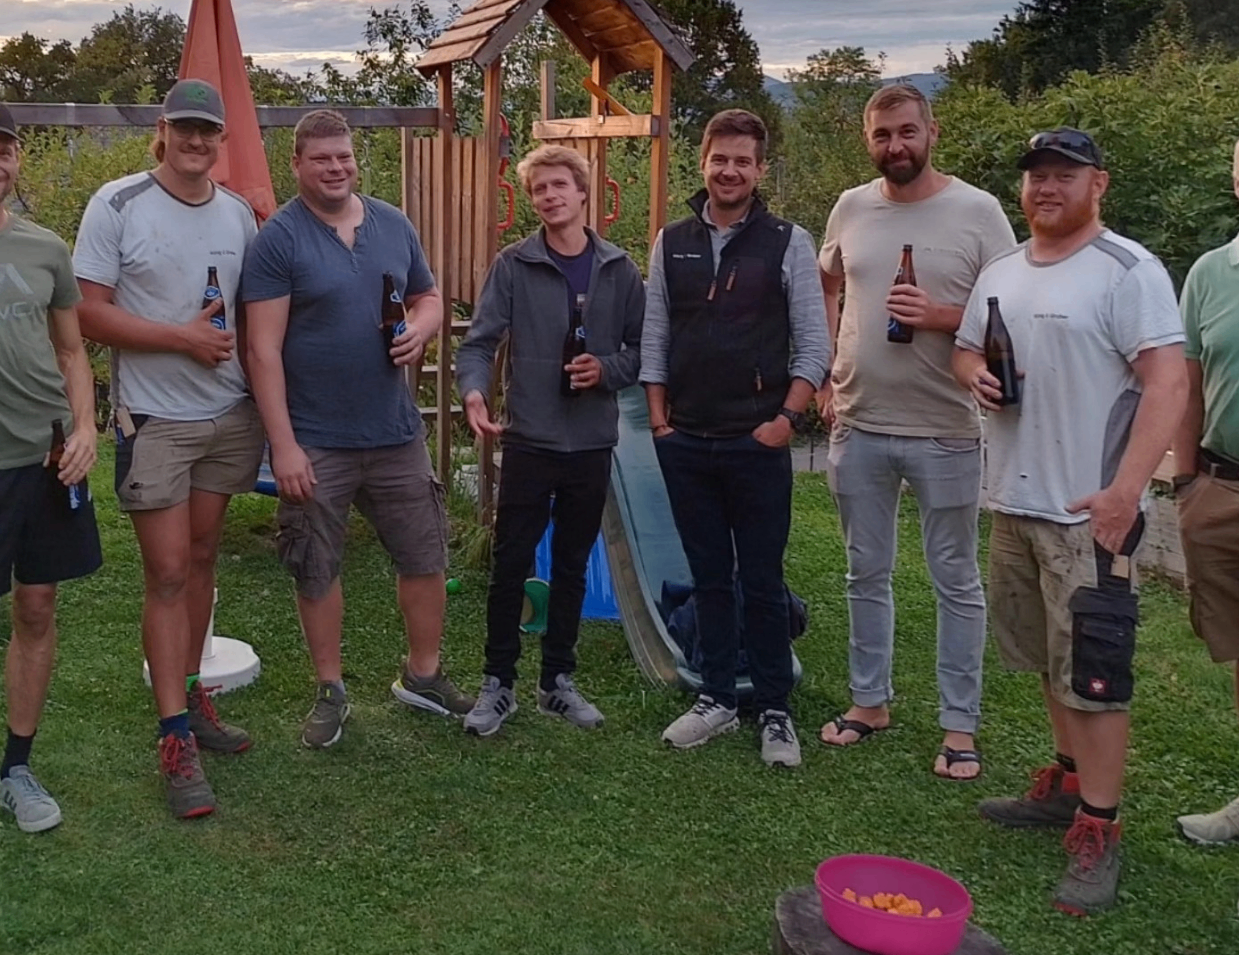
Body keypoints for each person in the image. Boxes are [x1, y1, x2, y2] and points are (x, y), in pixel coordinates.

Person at [952, 127, 1187, 916]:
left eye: (1064, 175)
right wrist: (977, 371)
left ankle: (1100, 829)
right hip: (1015, 504)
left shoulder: (1127, 270)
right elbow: (964, 352)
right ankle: (1067, 785)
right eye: (1036, 176)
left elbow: (1167, 383)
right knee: (1050, 663)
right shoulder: (1002, 270)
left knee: (1095, 675)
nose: (1046, 187)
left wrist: (1125, 492)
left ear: (1099, 184)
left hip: (1091, 515)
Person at [242, 109, 472, 749]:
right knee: (316, 564)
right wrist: (282, 446)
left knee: (424, 554)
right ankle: (331, 690)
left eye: (344, 156)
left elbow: (428, 297)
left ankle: (422, 676)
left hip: (395, 430)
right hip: (315, 436)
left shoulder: (392, 224)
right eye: (322, 159)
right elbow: (261, 351)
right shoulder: (279, 241)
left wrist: (423, 327)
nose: (337, 167)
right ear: (297, 165)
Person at [815, 83, 1016, 780]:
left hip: (945, 428)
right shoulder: (851, 207)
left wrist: (936, 314)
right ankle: (869, 703)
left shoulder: (978, 212)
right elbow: (826, 281)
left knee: (954, 578)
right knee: (863, 572)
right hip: (860, 420)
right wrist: (826, 370)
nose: (894, 146)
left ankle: (959, 727)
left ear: (931, 130)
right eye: (881, 135)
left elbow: (1009, 314)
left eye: (906, 131)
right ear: (867, 140)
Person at [74, 79, 263, 821]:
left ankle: (191, 697)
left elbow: (258, 312)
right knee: (169, 570)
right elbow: (89, 313)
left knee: (206, 558)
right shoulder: (117, 204)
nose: (196, 141)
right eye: (184, 129)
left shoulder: (240, 214)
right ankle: (173, 737)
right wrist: (182, 338)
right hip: (153, 419)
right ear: (162, 131)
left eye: (208, 132)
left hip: (226, 415)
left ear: (222, 141)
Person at [641, 108, 830, 768]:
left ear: (760, 169)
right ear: (704, 162)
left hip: (757, 439)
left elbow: (814, 342)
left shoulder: (788, 242)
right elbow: (655, 336)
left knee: (762, 577)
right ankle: (717, 698)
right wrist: (660, 420)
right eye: (720, 159)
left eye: (743, 161)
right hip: (687, 440)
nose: (730, 171)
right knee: (709, 576)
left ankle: (775, 709)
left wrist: (785, 421)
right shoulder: (671, 240)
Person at [456, 145, 645, 737]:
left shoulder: (620, 268)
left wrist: (607, 371)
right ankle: (498, 684)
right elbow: (479, 342)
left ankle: (557, 682)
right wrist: (474, 394)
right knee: (512, 562)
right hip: (531, 439)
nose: (550, 197)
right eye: (540, 190)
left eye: (560, 186)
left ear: (584, 193)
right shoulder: (514, 264)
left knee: (570, 565)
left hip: (591, 441)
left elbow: (644, 351)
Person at [1172, 115, 1239, 926]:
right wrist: (1186, 484)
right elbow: (1190, 383)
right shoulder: (1211, 271)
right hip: (1222, 491)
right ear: (1236, 180)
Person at [0, 104, 102, 833]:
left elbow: (71, 352)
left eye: (5, 150)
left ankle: (17, 768)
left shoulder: (44, 248)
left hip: (43, 459)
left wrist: (89, 427)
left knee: (36, 607)